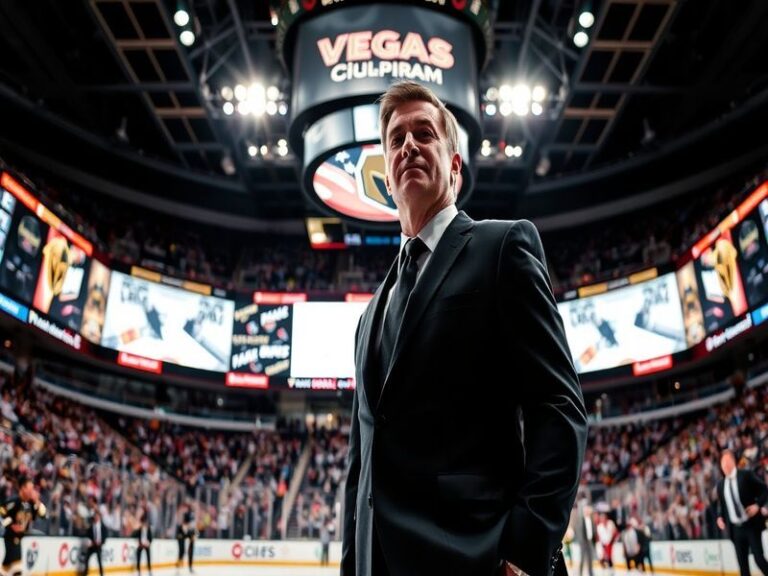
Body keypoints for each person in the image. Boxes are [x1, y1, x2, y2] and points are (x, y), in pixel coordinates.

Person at [341, 81, 587, 576]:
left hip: (476, 556)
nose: (408, 144)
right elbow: (359, 464)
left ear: (454, 166)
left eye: (424, 133)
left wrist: (526, 548)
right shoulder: (368, 316)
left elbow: (558, 406)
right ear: (385, 178)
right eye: (395, 139)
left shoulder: (502, 248)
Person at [716, 449, 768, 576]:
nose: (726, 465)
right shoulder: (721, 485)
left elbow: (764, 490)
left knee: (759, 560)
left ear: (733, 461)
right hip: (736, 530)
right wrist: (720, 517)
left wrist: (757, 505)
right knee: (743, 567)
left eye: (728, 461)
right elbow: (722, 506)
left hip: (750, 525)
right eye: (723, 463)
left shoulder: (746, 475)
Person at [0, 476, 47, 576]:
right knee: (17, 569)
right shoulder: (14, 501)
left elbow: (43, 515)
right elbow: (2, 513)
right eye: (29, 489)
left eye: (32, 489)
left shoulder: (31, 504)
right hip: (11, 538)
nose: (31, 492)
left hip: (19, 539)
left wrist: (37, 502)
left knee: (5, 569)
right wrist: (10, 524)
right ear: (22, 488)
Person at [573, 500, 595, 576]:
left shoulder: (591, 519)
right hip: (583, 542)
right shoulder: (581, 520)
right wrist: (581, 542)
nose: (588, 511)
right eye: (586, 510)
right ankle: (580, 573)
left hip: (590, 541)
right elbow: (579, 532)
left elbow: (593, 530)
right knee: (582, 559)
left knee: (590, 558)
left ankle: (591, 573)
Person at [83, 509, 106, 576]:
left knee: (99, 561)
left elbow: (104, 537)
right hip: (92, 546)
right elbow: (87, 535)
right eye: (95, 516)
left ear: (99, 517)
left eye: (97, 516)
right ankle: (85, 574)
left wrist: (100, 542)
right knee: (86, 559)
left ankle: (101, 574)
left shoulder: (103, 527)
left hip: (98, 546)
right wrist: (89, 542)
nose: (96, 517)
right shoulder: (91, 526)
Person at [176, 507, 196, 573]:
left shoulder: (191, 528)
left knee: (191, 551)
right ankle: (178, 566)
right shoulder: (181, 527)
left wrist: (193, 538)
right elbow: (178, 536)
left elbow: (194, 535)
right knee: (181, 551)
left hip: (188, 538)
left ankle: (190, 567)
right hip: (181, 539)